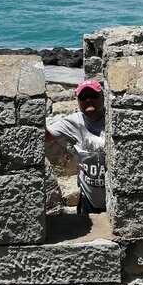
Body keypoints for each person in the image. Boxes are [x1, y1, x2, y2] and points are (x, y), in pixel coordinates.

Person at [46, 79, 106, 214]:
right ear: (78, 101)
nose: (88, 100)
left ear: (103, 97)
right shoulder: (73, 122)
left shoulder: (115, 118)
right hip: (88, 201)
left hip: (115, 200)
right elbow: (45, 136)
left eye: (93, 96)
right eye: (83, 97)